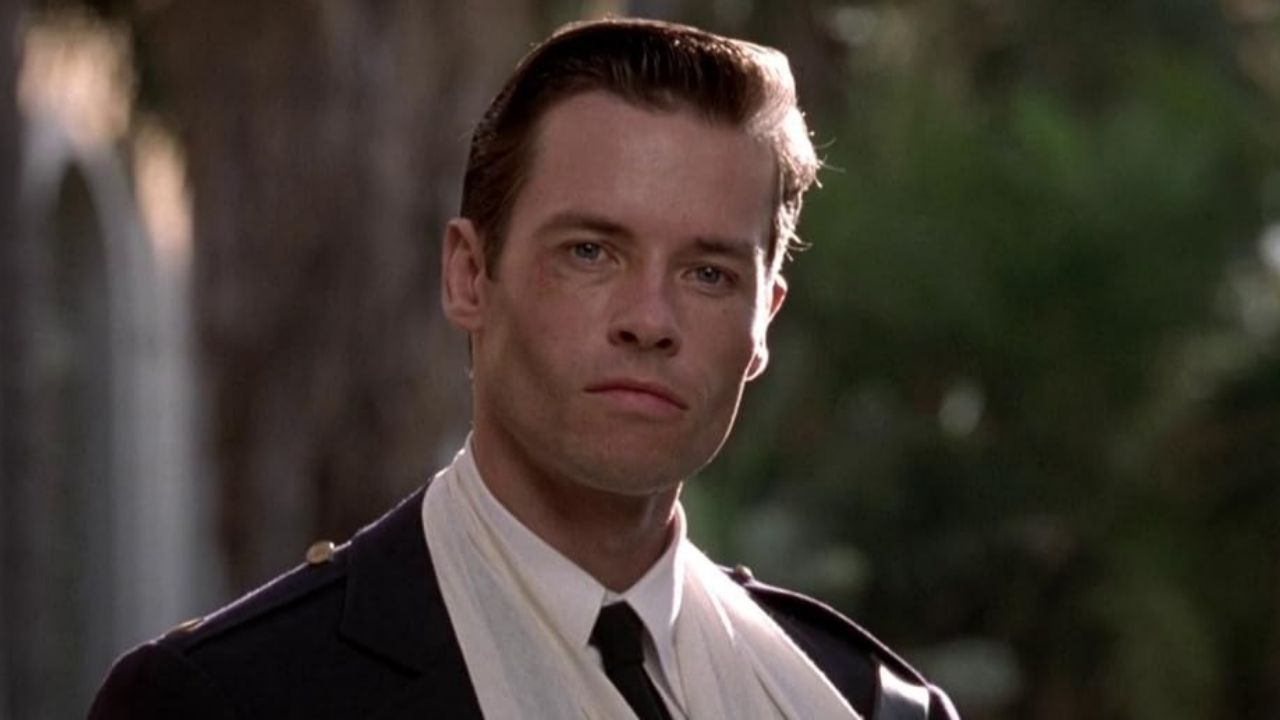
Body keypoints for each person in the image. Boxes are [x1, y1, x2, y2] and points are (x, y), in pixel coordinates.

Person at [90, 18, 958, 720]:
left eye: (708, 274)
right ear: (470, 275)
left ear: (763, 321)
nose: (650, 321)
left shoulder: (858, 703)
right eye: (591, 252)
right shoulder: (229, 702)